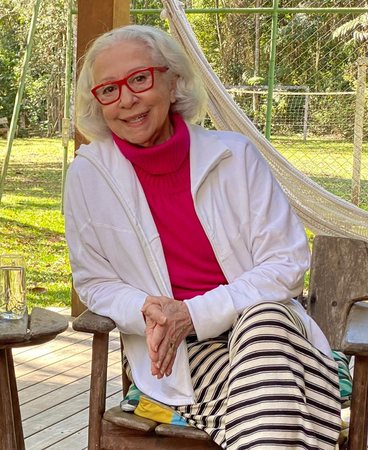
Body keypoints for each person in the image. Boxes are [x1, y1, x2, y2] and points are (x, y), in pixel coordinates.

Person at [64, 25, 341, 449]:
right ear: (97, 104)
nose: (127, 99)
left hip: (272, 334)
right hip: (180, 356)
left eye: (140, 78)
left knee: (263, 322)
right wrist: (149, 309)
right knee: (276, 406)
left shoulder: (236, 156)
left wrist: (193, 312)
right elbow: (94, 282)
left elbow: (285, 263)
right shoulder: (88, 174)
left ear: (172, 80)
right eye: (108, 90)